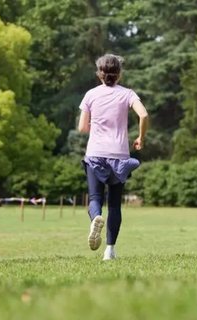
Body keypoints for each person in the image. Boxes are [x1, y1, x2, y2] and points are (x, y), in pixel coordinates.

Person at [78, 53, 149, 261]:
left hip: (95, 154)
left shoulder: (90, 95)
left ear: (99, 74)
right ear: (119, 74)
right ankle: (110, 250)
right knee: (115, 204)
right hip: (119, 155)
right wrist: (141, 137)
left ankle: (95, 219)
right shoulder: (128, 94)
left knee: (94, 198)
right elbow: (143, 115)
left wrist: (98, 125)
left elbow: (82, 127)